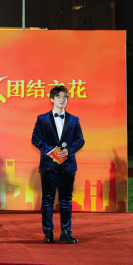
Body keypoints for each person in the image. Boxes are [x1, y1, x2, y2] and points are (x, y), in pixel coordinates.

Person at [32, 85, 85, 244]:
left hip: (68, 165)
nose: (62, 100)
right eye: (59, 97)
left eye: (65, 97)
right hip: (49, 165)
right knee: (47, 199)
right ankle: (48, 232)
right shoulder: (42, 119)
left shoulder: (74, 119)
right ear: (52, 99)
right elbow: (35, 139)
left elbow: (80, 140)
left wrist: (69, 150)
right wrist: (51, 150)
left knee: (66, 199)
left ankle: (66, 231)